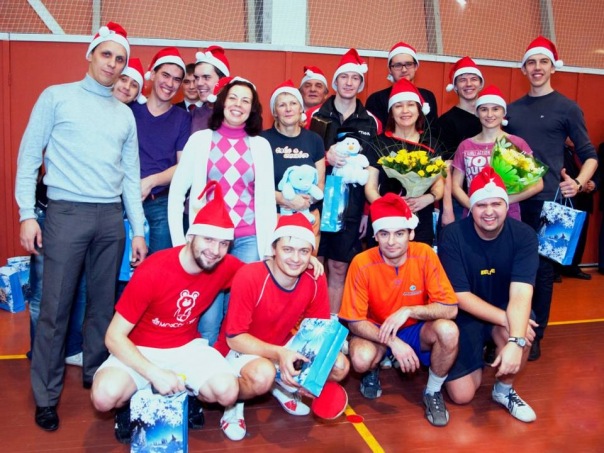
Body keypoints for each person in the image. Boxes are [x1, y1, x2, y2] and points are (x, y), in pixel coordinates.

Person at [15, 22, 147, 432]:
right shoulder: (56, 97)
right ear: (90, 54)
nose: (112, 64)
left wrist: (138, 230)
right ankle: (46, 396)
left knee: (103, 306)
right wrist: (26, 213)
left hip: (110, 218)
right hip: (65, 213)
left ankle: (96, 372)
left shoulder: (124, 115)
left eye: (120, 58)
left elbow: (130, 176)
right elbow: (28, 156)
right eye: (106, 54)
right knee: (55, 308)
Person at [91, 181, 241, 444]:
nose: (215, 251)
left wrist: (307, 262)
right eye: (208, 239)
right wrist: (154, 373)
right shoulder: (153, 270)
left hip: (186, 348)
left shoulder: (224, 265)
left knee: (227, 391)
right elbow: (113, 337)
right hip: (141, 349)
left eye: (223, 243)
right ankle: (131, 402)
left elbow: (262, 276)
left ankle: (188, 396)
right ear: (191, 236)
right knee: (104, 396)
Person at [214, 214, 349, 441]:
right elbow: (234, 338)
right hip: (240, 350)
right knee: (262, 375)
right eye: (288, 249)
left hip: (282, 347)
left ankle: (283, 386)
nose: (295, 259)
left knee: (339, 365)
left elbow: (317, 332)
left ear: (312, 253)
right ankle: (233, 404)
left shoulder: (315, 278)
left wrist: (311, 377)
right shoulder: (250, 276)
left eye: (304, 251)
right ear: (273, 249)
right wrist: (280, 354)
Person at [506, 36, 598, 361]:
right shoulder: (511, 110)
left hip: (554, 202)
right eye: (531, 62)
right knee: (513, 267)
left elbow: (589, 155)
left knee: (543, 272)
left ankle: (536, 333)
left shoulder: (567, 108)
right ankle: (509, 329)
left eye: (543, 62)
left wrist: (579, 183)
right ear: (523, 69)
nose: (537, 68)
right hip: (517, 201)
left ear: (552, 67)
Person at [168, 76, 277, 345]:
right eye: (233, 98)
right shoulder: (200, 140)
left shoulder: (261, 146)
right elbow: (176, 193)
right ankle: (205, 366)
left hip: (248, 238)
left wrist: (269, 246)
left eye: (246, 101)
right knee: (207, 318)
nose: (238, 105)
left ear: (253, 109)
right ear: (222, 102)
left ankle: (233, 368)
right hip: (209, 241)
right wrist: (180, 243)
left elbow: (266, 199)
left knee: (239, 318)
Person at [339, 193, 458, 427]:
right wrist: (393, 342)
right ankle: (375, 366)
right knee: (361, 359)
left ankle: (433, 391)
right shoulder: (361, 262)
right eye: (384, 234)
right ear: (375, 235)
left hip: (415, 329)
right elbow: (354, 321)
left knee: (449, 331)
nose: (391, 241)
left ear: (411, 234)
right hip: (377, 329)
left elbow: (450, 309)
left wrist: (410, 311)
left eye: (399, 233)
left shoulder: (425, 254)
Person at [439, 166, 539, 423]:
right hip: (466, 315)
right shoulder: (452, 236)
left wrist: (515, 340)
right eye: (482, 205)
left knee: (524, 331)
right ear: (471, 207)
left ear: (507, 205)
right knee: (462, 395)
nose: (489, 211)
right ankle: (479, 354)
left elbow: (521, 293)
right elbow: (460, 296)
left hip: (505, 305)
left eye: (496, 204)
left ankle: (504, 390)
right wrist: (508, 321)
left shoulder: (525, 236)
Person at [311, 48, 379, 314]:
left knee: (339, 266)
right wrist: (325, 157)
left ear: (361, 84)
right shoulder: (315, 115)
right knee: (313, 263)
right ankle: (309, 323)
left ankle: (331, 324)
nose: (349, 82)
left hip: (351, 207)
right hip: (317, 203)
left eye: (355, 78)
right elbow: (304, 159)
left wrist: (366, 212)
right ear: (335, 81)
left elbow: (373, 170)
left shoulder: (371, 122)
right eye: (344, 77)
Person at [365, 78, 445, 247]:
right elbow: (370, 187)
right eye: (398, 106)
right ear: (391, 111)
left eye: (410, 105)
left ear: (419, 110)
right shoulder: (378, 143)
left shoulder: (431, 143)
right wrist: (387, 206)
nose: (405, 111)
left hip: (421, 218)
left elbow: (439, 185)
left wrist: (428, 198)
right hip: (385, 219)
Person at [451, 85, 543, 221]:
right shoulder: (466, 145)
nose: (489, 115)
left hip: (509, 216)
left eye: (495, 109)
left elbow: (537, 184)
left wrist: (505, 201)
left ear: (503, 112)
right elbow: (455, 186)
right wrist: (473, 205)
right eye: (484, 109)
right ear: (477, 113)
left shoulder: (515, 143)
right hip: (473, 217)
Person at [132, 47, 191, 255]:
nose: (170, 83)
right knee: (116, 266)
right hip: (122, 199)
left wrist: (151, 181)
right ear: (152, 74)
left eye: (176, 79)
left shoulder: (183, 118)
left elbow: (184, 166)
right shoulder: (130, 110)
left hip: (160, 202)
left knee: (160, 264)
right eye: (165, 75)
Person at [261, 80, 326, 249]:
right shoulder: (262, 140)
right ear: (274, 112)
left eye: (293, 103)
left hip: (308, 216)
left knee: (306, 263)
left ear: (301, 108)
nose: (288, 109)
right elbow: (255, 185)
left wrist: (306, 201)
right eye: (282, 105)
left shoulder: (315, 140)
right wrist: (286, 199)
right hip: (274, 217)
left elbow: (320, 182)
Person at [437, 57, 484, 225]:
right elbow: (445, 168)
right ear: (455, 86)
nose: (468, 84)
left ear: (481, 84)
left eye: (473, 79)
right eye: (462, 80)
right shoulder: (446, 122)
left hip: (489, 197)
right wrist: (447, 208)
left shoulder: (492, 117)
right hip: (459, 200)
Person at [366, 41, 438, 130]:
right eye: (397, 65)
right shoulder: (376, 100)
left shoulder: (428, 97)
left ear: (416, 66)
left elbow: (433, 131)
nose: (404, 70)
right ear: (389, 69)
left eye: (408, 64)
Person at [191, 45, 231, 133]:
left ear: (223, 80)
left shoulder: (235, 112)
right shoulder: (194, 114)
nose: (199, 83)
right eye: (197, 78)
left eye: (206, 77)